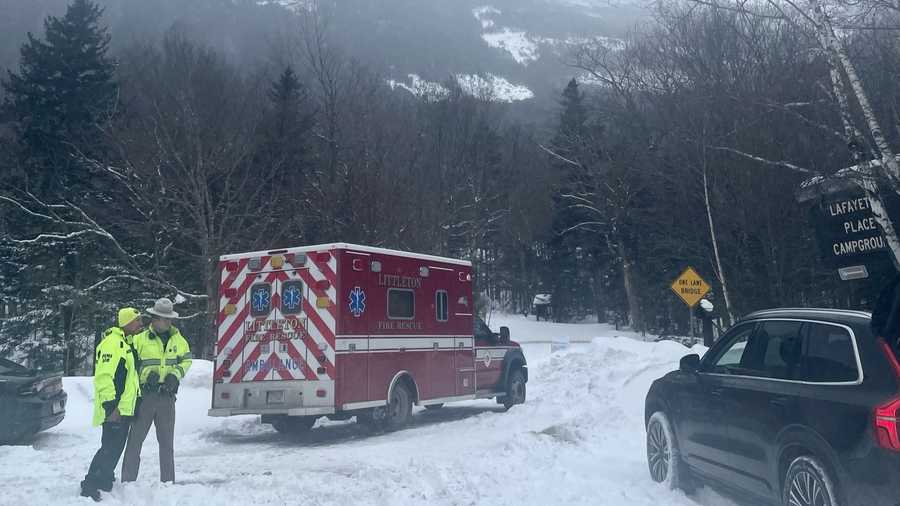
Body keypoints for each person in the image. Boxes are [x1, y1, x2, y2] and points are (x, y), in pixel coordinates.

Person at [121, 297, 192, 483]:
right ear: (154, 318)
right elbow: (130, 365)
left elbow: (187, 360)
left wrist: (175, 374)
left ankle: (168, 483)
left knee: (167, 444)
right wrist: (145, 374)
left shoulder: (179, 340)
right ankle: (128, 482)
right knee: (135, 441)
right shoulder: (139, 339)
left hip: (167, 398)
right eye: (163, 318)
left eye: (169, 318)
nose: (167, 321)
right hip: (145, 396)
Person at [80, 307, 143, 501]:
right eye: (137, 320)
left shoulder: (126, 343)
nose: (141, 324)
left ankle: (105, 479)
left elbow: (129, 378)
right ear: (127, 322)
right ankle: (90, 485)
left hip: (123, 408)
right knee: (109, 447)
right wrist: (110, 406)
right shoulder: (112, 343)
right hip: (114, 409)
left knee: (115, 447)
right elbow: (104, 377)